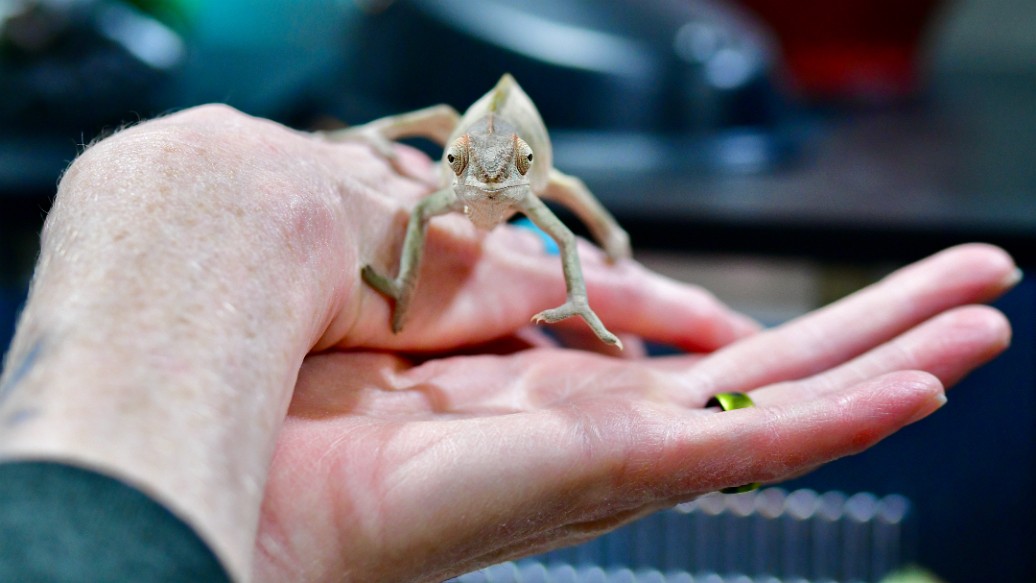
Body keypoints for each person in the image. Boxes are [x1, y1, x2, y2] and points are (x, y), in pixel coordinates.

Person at [0, 105, 1018, 582]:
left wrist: (600, 274)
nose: (482, 193)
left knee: (574, 233)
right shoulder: (452, 173)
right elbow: (411, 227)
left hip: (526, 172)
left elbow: (561, 224)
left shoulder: (524, 177)